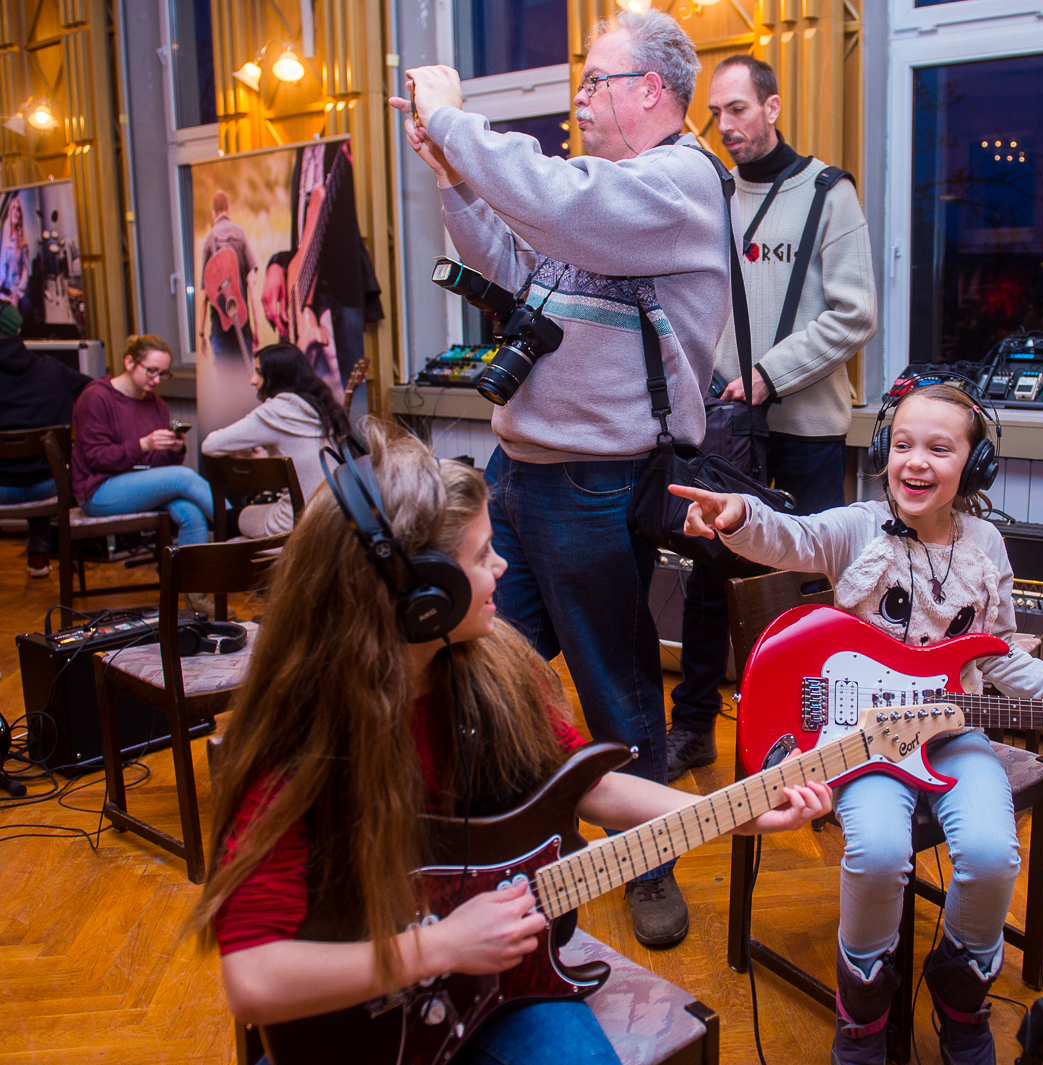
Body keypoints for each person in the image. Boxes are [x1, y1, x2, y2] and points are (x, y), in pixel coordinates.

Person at [185, 424, 830, 1065]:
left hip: (498, 983)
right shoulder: (305, 742)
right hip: (360, 1026)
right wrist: (441, 947)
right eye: (482, 555)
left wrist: (734, 813)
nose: (501, 566)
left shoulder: (492, 665)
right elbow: (253, 981)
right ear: (424, 597)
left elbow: (588, 785)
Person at [669, 382, 1043, 1065]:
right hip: (863, 742)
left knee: (990, 853)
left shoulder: (985, 545)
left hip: (953, 736)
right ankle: (862, 1017)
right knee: (879, 852)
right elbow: (791, 535)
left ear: (974, 465)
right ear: (883, 454)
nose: (916, 461)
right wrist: (738, 512)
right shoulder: (860, 527)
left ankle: (961, 997)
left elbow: (1001, 656)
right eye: (902, 445)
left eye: (939, 449)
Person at [389, 8, 731, 947]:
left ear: (650, 90)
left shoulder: (680, 184)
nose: (578, 98)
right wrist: (453, 177)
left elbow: (563, 204)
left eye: (594, 81)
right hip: (516, 475)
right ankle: (501, 838)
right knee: (479, 660)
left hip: (594, 484)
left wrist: (455, 120)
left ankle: (649, 865)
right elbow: (510, 268)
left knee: (616, 686)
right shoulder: (606, 197)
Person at [665, 55, 878, 781]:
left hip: (805, 431)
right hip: (726, 430)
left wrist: (768, 374)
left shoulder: (827, 192)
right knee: (708, 575)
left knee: (807, 587)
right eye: (716, 113)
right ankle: (693, 727)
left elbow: (855, 314)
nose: (726, 126)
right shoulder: (712, 195)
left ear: (773, 107)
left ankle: (814, 748)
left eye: (739, 109)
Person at [71, 335, 212, 546]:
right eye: (151, 371)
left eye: (163, 374)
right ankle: (237, 525)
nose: (157, 380)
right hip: (98, 490)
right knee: (183, 477)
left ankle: (196, 570)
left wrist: (173, 449)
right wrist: (144, 445)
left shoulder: (157, 405)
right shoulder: (96, 397)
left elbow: (158, 467)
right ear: (129, 363)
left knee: (192, 514)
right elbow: (97, 459)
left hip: (139, 485)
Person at [201, 343, 351, 537]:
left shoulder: (278, 410)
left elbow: (210, 446)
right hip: (334, 516)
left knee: (229, 518)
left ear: (277, 376)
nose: (252, 380)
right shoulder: (319, 407)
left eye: (259, 373)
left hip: (299, 520)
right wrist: (264, 454)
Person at [260, 140, 368, 394]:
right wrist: (276, 264)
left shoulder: (341, 149)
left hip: (343, 293)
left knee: (351, 400)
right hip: (308, 294)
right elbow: (303, 237)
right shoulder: (304, 150)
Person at [0, 299, 89, 576]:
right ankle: (39, 554)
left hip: (2, 491)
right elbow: (94, 391)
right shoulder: (52, 369)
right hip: (51, 488)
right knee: (41, 465)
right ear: (18, 331)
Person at [195, 190, 258, 362]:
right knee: (246, 376)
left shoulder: (209, 241)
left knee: (225, 379)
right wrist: (257, 328)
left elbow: (204, 296)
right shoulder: (240, 235)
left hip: (219, 330)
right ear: (228, 209)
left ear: (213, 213)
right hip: (243, 326)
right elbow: (252, 283)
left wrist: (201, 333)